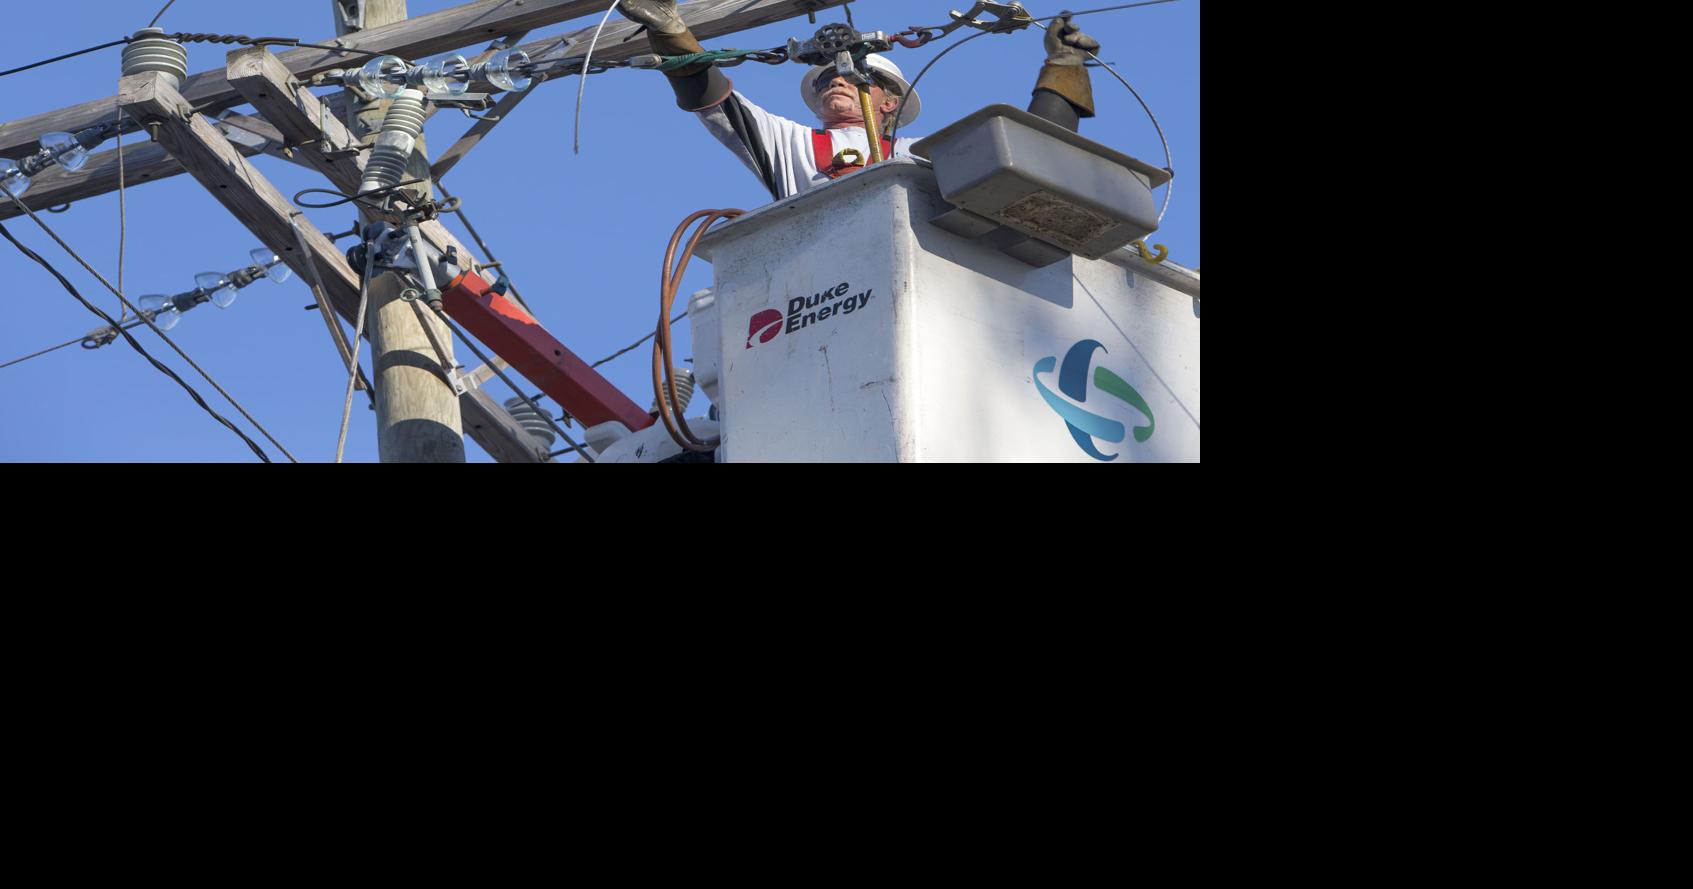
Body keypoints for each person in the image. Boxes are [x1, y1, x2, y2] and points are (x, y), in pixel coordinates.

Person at [616, 0, 1101, 201]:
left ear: (889, 103)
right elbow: (716, 103)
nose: (836, 82)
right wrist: (672, 34)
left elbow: (1027, 154)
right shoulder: (793, 145)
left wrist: (1064, 69)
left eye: (852, 77)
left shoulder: (918, 154)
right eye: (826, 79)